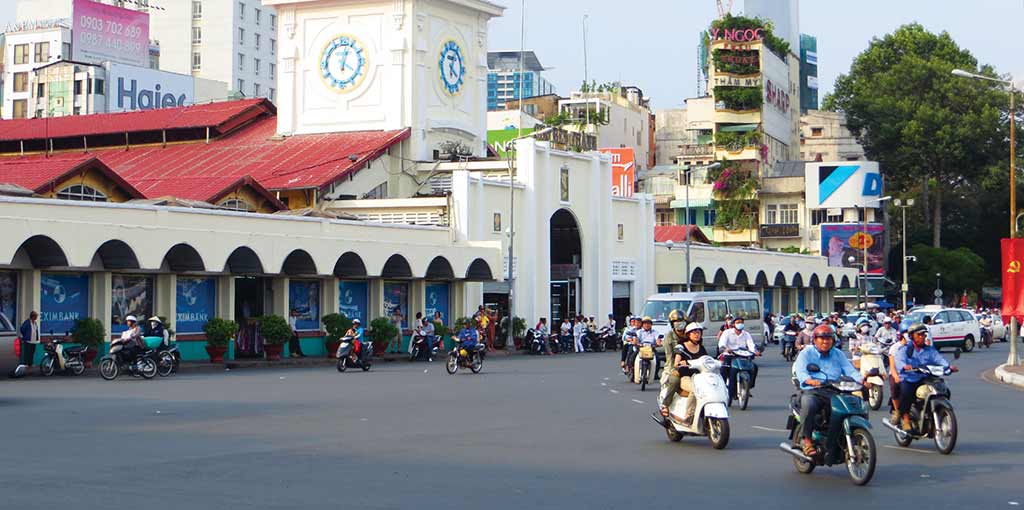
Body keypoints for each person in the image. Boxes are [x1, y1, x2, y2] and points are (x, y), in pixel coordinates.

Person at [793, 325, 864, 456]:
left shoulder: (838, 354)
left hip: (835, 390)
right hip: (813, 390)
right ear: (814, 340)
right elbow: (801, 371)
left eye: (828, 339)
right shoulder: (806, 353)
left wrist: (862, 380)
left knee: (855, 404)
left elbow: (850, 370)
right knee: (809, 404)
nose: (825, 341)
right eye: (822, 339)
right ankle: (807, 441)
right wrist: (810, 380)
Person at [894, 323, 955, 432]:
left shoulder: (929, 350)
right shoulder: (905, 350)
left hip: (925, 378)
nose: (922, 337)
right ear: (912, 336)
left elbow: (939, 359)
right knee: (907, 392)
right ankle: (905, 417)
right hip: (910, 378)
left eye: (923, 334)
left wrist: (948, 367)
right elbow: (899, 361)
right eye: (919, 335)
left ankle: (937, 412)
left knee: (944, 390)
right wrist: (905, 366)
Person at [717, 316, 761, 401]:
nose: (740, 324)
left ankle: (748, 386)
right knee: (725, 370)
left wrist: (755, 352)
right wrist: (726, 349)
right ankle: (725, 389)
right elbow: (721, 344)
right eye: (738, 322)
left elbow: (751, 345)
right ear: (733, 324)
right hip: (729, 355)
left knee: (754, 367)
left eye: (741, 322)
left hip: (743, 356)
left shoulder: (746, 334)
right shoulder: (727, 333)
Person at [657, 309, 687, 419]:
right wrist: (673, 369)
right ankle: (665, 405)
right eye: (676, 322)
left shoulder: (690, 333)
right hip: (674, 365)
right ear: (672, 324)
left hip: (690, 365)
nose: (680, 324)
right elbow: (669, 357)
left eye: (682, 321)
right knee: (672, 381)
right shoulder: (669, 336)